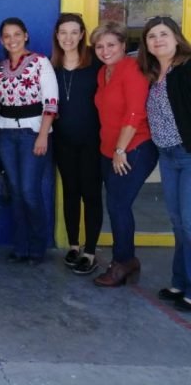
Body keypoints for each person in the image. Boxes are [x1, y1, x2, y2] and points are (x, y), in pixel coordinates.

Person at [91, 20, 158, 288]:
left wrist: (120, 150)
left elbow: (135, 112)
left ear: (122, 45)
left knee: (118, 205)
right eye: (99, 46)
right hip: (109, 149)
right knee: (118, 205)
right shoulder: (104, 72)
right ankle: (128, 259)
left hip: (134, 148)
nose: (105, 50)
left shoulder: (132, 69)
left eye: (111, 45)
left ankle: (122, 263)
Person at [138, 16, 191, 311]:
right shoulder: (154, 73)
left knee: (189, 223)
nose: (157, 40)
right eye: (151, 36)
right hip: (168, 156)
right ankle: (180, 282)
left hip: (188, 153)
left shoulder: (187, 68)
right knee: (178, 222)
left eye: (163, 34)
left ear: (176, 37)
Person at [0, 17, 58, 265]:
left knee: (30, 191)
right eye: (7, 36)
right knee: (16, 192)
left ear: (26, 35)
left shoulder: (40, 63)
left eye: (17, 34)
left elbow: (51, 102)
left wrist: (43, 134)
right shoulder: (0, 68)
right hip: (6, 134)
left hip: (33, 133)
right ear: (2, 40)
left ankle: (37, 246)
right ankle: (20, 247)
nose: (12, 40)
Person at [51, 13, 103, 275]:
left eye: (74, 32)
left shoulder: (95, 62)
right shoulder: (52, 66)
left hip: (92, 141)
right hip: (63, 140)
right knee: (70, 193)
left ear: (82, 34)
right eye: (63, 32)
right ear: (57, 36)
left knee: (91, 195)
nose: (68, 38)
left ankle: (90, 251)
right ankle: (73, 245)